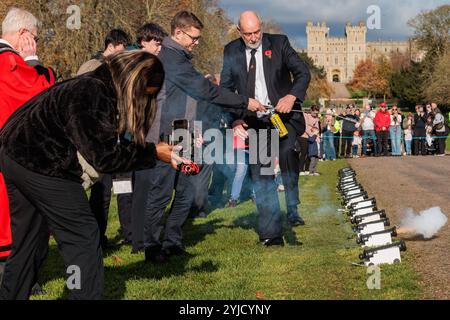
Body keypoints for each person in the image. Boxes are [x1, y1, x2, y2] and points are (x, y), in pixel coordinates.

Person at [0, 51, 181, 300]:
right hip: (42, 163)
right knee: (83, 238)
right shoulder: (93, 93)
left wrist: (153, 150)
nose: (144, 100)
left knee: (28, 243)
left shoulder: (95, 85)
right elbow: (105, 156)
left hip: (14, 154)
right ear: (134, 82)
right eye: (145, 94)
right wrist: (152, 153)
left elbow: (105, 145)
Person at [133, 11, 266, 261]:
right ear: (179, 32)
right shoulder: (170, 58)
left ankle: (172, 240)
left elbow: (190, 99)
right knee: (161, 193)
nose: (197, 42)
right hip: (166, 137)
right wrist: (245, 102)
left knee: (187, 190)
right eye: (194, 37)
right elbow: (206, 91)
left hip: (185, 132)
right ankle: (151, 246)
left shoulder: (181, 57)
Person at [221, 10, 311, 235]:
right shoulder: (231, 51)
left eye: (257, 31)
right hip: (255, 121)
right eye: (248, 34)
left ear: (261, 27)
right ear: (239, 31)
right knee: (262, 170)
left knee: (288, 151)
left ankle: (292, 206)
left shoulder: (279, 44)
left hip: (283, 117)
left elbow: (303, 73)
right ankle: (271, 223)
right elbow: (225, 90)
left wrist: (291, 96)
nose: (254, 38)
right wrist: (236, 118)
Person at [0, 7, 55, 281]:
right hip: (15, 156)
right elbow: (41, 101)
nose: (35, 42)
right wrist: (33, 61)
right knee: (17, 222)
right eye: (34, 37)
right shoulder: (10, 62)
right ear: (23, 35)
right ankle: (19, 280)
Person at [77, 28, 132, 248]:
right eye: (120, 51)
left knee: (122, 187)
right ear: (110, 47)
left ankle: (128, 233)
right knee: (101, 193)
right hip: (96, 141)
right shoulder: (92, 68)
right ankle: (96, 239)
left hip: (114, 139)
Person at [299, 105, 320, 175]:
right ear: (311, 111)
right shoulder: (306, 116)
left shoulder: (316, 118)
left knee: (309, 153)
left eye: (317, 113)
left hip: (311, 137)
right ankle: (301, 170)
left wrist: (315, 135)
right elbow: (306, 127)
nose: (315, 115)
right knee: (303, 152)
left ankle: (307, 169)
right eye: (314, 113)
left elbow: (317, 129)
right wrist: (313, 133)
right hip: (303, 136)